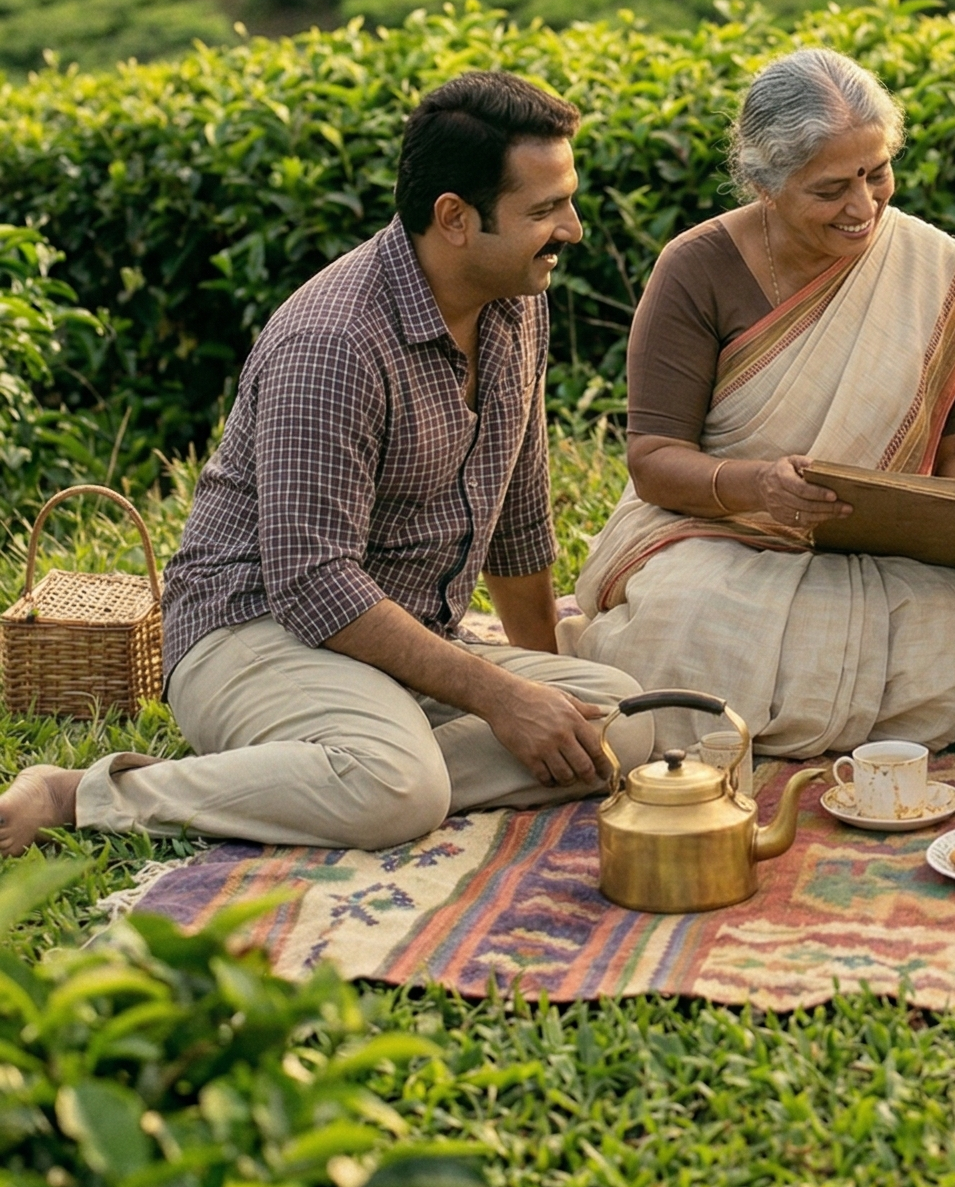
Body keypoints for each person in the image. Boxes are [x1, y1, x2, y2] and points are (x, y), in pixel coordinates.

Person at [0, 71, 655, 859]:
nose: (573, 228)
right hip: (253, 628)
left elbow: (518, 522)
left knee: (628, 719)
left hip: (397, 639)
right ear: (454, 218)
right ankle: (82, 794)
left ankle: (323, 772)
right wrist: (496, 696)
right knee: (397, 789)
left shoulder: (519, 302)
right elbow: (311, 580)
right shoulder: (334, 340)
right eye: (545, 210)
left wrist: (539, 694)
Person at [570, 48, 955, 757]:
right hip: (720, 530)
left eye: (877, 174)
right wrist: (761, 487)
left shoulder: (924, 269)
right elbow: (655, 460)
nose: (865, 206)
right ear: (764, 183)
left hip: (879, 546)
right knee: (682, 625)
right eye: (832, 189)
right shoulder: (696, 269)